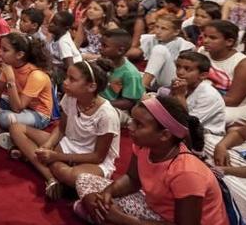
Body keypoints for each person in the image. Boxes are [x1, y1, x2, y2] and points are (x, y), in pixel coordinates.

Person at [75, 96, 229, 225]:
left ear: (165, 135)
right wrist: (106, 193)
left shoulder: (187, 172)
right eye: (132, 120)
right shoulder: (143, 145)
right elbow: (132, 179)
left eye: (139, 124)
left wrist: (123, 219)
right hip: (154, 210)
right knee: (84, 180)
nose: (130, 126)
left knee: (90, 207)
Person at [9, 60, 121, 200]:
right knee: (16, 127)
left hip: (92, 160)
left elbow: (98, 157)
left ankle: (36, 158)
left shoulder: (107, 115)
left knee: (73, 176)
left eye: (72, 79)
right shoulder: (70, 97)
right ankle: (51, 178)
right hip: (68, 144)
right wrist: (48, 145)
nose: (65, 82)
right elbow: (61, 128)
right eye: (67, 77)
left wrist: (55, 157)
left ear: (91, 87)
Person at [0, 32, 53, 132]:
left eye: (5, 50)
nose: (0, 53)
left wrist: (11, 79)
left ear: (19, 55)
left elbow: (17, 108)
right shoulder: (9, 65)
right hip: (14, 102)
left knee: (5, 118)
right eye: (1, 48)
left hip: (37, 114)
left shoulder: (36, 75)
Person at [200, 20, 246, 126]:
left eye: (212, 38)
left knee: (199, 117)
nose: (205, 41)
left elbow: (233, 100)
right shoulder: (202, 52)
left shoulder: (244, 64)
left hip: (237, 108)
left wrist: (198, 100)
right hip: (206, 101)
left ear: (229, 42)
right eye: (204, 36)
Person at [158, 51, 226, 136]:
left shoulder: (209, 95)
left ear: (203, 75)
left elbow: (187, 124)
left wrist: (179, 95)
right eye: (178, 67)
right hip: (181, 132)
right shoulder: (183, 86)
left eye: (187, 69)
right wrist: (173, 92)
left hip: (206, 137)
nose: (180, 72)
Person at [98, 29, 144, 126]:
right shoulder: (100, 62)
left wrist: (101, 104)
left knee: (101, 116)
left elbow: (128, 102)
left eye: (104, 46)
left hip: (119, 110)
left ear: (120, 50)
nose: (100, 48)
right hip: (99, 102)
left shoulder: (130, 73)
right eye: (101, 44)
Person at [143, 14, 195, 91]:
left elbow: (184, 70)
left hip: (175, 81)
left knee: (160, 49)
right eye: (157, 27)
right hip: (156, 80)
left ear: (176, 32)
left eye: (163, 29)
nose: (157, 31)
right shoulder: (152, 39)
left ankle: (142, 86)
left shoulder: (183, 45)